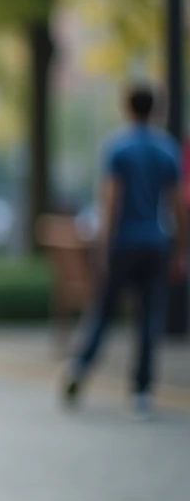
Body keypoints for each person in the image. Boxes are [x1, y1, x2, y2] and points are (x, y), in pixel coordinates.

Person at [63, 83, 187, 420]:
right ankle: (142, 391)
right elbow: (178, 205)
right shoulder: (167, 150)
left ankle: (81, 365)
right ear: (155, 109)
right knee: (149, 317)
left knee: (104, 311)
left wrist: (102, 245)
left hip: (123, 243)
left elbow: (111, 201)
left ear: (127, 108)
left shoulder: (118, 148)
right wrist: (181, 247)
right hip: (155, 242)